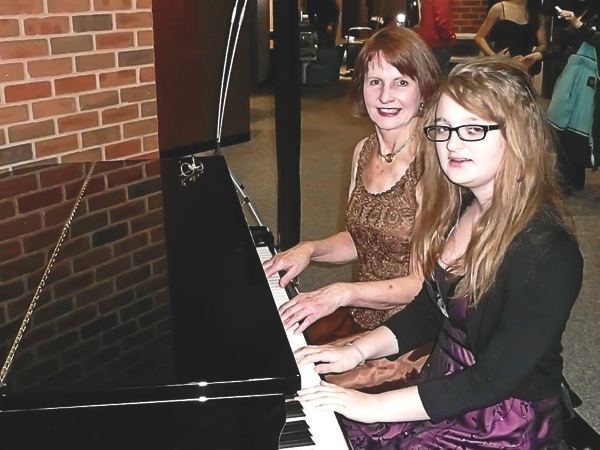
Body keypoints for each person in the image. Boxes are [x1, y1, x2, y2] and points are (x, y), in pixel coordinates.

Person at [295, 57, 583, 449]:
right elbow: (430, 312)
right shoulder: (464, 209)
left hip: (503, 420)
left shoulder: (549, 253)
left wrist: (369, 405)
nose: (452, 143)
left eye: (472, 128)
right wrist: (355, 351)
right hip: (444, 381)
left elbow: (493, 379)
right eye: (444, 128)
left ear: (518, 135)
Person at [263, 27, 442, 391]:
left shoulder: (433, 161)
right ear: (360, 87)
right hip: (361, 311)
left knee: (313, 383)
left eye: (401, 82)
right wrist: (310, 249)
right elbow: (363, 236)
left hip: (410, 331)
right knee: (273, 342)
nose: (385, 96)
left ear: (423, 89)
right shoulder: (363, 151)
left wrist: (343, 292)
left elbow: (421, 286)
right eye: (375, 81)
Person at [546, 1, 600, 193]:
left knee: (580, 126)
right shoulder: (585, 9)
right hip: (572, 74)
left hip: (590, 78)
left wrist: (578, 26)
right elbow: (565, 45)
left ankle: (572, 179)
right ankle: (568, 179)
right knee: (563, 123)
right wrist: (540, 55)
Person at [474, 0, 547, 75]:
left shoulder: (536, 12)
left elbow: (543, 44)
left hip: (524, 66)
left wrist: (531, 58)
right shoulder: (499, 8)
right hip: (502, 64)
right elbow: (479, 37)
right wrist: (495, 57)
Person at [417, 0, 457, 73]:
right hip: (439, 43)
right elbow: (443, 21)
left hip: (427, 42)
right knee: (439, 79)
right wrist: (450, 37)